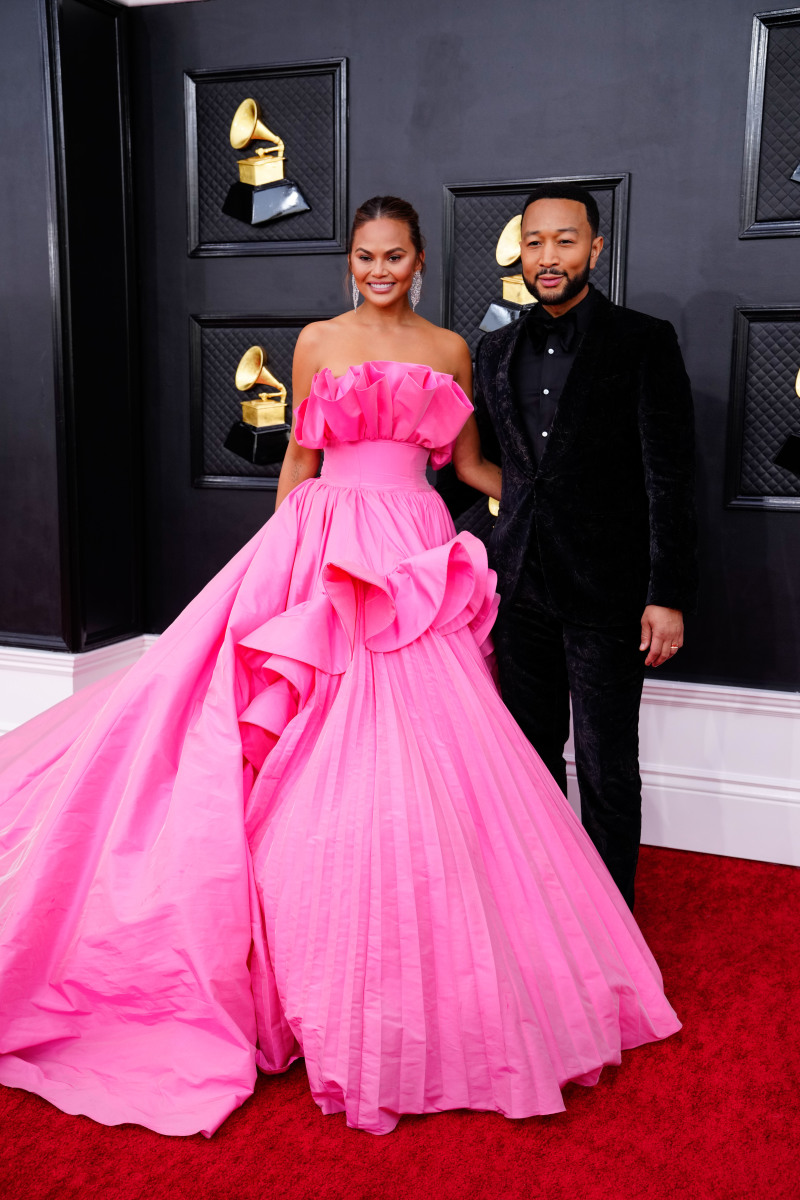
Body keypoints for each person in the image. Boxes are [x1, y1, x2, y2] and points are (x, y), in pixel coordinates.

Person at [0, 196, 680, 1139]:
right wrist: (280, 557)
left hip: (414, 546)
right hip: (329, 542)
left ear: (421, 260)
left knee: (436, 745)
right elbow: (299, 459)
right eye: (365, 256)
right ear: (350, 260)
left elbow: (475, 466)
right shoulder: (317, 340)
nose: (378, 270)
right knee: (309, 728)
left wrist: (563, 502)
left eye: (394, 256)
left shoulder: (453, 350)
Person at [469, 183, 698, 911]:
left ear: (596, 248)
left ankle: (609, 919)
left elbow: (669, 474)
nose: (548, 256)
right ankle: (543, 908)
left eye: (565, 240)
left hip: (609, 593)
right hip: (519, 589)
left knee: (606, 768)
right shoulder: (496, 347)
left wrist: (666, 595)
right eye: (535, 241)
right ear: (520, 251)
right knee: (529, 761)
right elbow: (484, 464)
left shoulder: (642, 339)